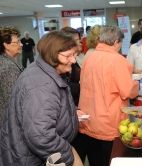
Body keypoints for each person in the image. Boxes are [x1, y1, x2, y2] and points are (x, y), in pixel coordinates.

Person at [0, 31, 83, 166]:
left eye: (74, 55)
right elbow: (41, 136)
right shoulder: (41, 85)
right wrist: (68, 156)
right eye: (68, 56)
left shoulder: (47, 70)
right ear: (52, 55)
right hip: (29, 159)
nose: (73, 60)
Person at [73, 25, 139, 166]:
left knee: (95, 161)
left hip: (88, 121)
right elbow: (127, 91)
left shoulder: (89, 58)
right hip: (109, 124)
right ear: (116, 42)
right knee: (110, 160)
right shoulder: (118, 60)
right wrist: (136, 85)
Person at [0, 26, 23, 126]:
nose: (21, 44)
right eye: (17, 42)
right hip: (11, 122)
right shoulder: (8, 67)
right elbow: (13, 99)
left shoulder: (7, 61)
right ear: (6, 45)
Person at [60, 26, 82, 106]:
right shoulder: (61, 62)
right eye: (76, 40)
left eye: (79, 40)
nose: (80, 42)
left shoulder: (73, 59)